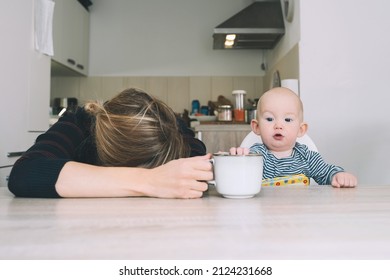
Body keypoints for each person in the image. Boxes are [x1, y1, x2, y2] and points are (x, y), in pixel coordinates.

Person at [8, 88, 213, 198]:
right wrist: (149, 181)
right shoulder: (81, 123)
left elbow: (197, 166)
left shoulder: (171, 127)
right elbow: (25, 173)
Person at [230, 87, 357, 188]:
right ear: (256, 127)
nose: (278, 125)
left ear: (301, 130)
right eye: (269, 119)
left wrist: (338, 175)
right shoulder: (256, 155)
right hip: (265, 214)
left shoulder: (307, 157)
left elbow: (326, 172)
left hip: (300, 215)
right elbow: (240, 174)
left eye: (288, 119)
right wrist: (238, 158)